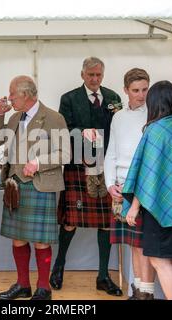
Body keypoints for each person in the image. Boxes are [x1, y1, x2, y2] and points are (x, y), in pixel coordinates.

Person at [0, 75, 69, 300]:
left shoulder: (54, 118)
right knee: (18, 237)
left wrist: (38, 163)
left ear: (26, 95)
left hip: (40, 185)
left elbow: (66, 153)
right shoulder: (15, 117)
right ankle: (23, 284)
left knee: (41, 239)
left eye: (12, 94)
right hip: (15, 185)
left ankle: (43, 287)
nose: (9, 98)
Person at [50, 57, 123, 296]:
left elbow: (119, 129)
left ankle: (103, 276)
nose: (94, 79)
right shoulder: (69, 99)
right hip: (78, 165)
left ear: (103, 75)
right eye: (90, 75)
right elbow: (64, 129)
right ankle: (58, 267)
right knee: (70, 220)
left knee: (105, 223)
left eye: (98, 75)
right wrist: (84, 133)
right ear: (82, 75)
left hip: (105, 167)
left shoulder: (113, 98)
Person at [121, 80, 172, 300]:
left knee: (159, 261)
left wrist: (134, 207)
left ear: (154, 102)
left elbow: (146, 174)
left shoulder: (156, 130)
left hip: (159, 209)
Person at [104, 68, 156, 299]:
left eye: (145, 89)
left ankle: (146, 292)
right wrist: (109, 184)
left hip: (146, 186)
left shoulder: (154, 115)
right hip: (121, 186)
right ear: (125, 90)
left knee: (145, 243)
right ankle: (137, 289)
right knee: (133, 244)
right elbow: (111, 153)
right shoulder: (118, 117)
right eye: (136, 90)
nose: (141, 94)